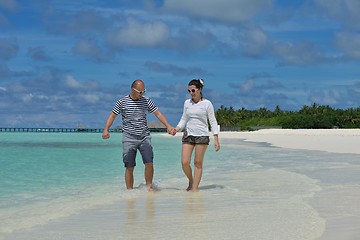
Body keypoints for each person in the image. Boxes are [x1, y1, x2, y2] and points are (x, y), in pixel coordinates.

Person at [102, 79, 175, 191]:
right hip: (129, 137)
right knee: (129, 167)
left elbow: (158, 113)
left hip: (144, 136)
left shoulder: (146, 101)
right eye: (140, 92)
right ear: (132, 90)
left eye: (144, 91)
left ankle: (149, 187)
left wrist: (168, 126)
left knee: (149, 162)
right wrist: (106, 130)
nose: (142, 94)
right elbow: (112, 116)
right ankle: (129, 192)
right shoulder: (122, 102)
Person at [174, 79, 220, 192]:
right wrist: (176, 129)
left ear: (200, 90)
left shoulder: (207, 104)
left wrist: (216, 138)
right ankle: (191, 180)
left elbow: (212, 121)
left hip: (202, 136)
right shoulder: (187, 103)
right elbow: (184, 119)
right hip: (188, 134)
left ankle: (194, 189)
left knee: (197, 163)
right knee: (185, 162)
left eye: (193, 90)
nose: (191, 93)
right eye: (189, 90)